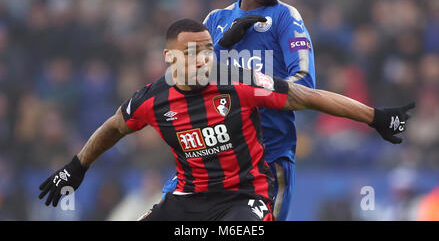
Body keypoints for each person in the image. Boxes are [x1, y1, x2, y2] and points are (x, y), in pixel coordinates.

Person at [38, 18, 415, 221]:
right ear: (170, 58)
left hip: (245, 195)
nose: (204, 59)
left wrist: (375, 117)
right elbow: (114, 127)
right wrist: (76, 166)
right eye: (193, 52)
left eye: (207, 50)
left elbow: (305, 96)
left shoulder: (238, 82)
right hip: (188, 198)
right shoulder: (152, 99)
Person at [164, 0, 316, 220]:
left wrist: (254, 87)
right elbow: (180, 82)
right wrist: (222, 45)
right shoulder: (215, 19)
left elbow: (304, 84)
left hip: (267, 163)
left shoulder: (286, 18)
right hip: (212, 160)